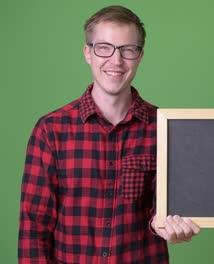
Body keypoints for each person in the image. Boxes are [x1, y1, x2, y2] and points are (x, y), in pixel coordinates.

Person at [18, 5, 200, 263]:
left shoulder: (166, 129)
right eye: (104, 47)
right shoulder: (51, 130)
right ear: (87, 53)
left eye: (128, 50)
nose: (116, 61)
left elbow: (167, 209)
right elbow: (34, 227)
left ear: (140, 56)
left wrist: (168, 224)